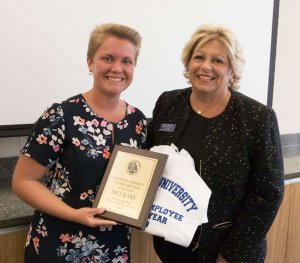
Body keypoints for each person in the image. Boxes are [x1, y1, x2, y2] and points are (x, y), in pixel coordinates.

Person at [147, 24, 284, 263]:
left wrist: (230, 255)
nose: (206, 66)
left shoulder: (257, 117)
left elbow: (268, 194)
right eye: (199, 57)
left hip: (229, 251)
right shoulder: (168, 103)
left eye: (218, 60)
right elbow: (150, 162)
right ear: (188, 64)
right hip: (173, 246)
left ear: (232, 71)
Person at [12, 23, 147, 263]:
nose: (117, 68)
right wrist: (74, 214)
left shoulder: (138, 121)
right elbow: (23, 181)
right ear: (90, 62)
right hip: (58, 247)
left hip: (114, 250)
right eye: (107, 58)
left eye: (127, 61)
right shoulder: (61, 115)